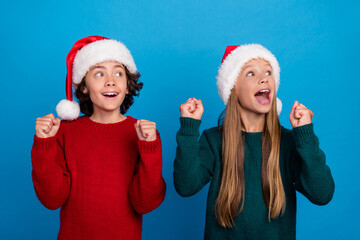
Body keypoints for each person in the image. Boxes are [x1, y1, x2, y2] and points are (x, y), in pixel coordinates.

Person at [174, 44, 334, 239]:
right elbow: (185, 186)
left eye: (268, 72)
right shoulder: (213, 140)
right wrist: (189, 128)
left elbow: (322, 194)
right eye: (251, 73)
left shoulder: (289, 142)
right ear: (233, 88)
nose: (264, 78)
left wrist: (305, 135)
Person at [31, 36, 166, 240]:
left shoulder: (143, 134)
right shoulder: (64, 132)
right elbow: (52, 199)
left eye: (119, 73)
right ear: (83, 87)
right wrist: (44, 144)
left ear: (128, 86)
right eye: (99, 74)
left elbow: (144, 203)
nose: (110, 81)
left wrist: (150, 149)